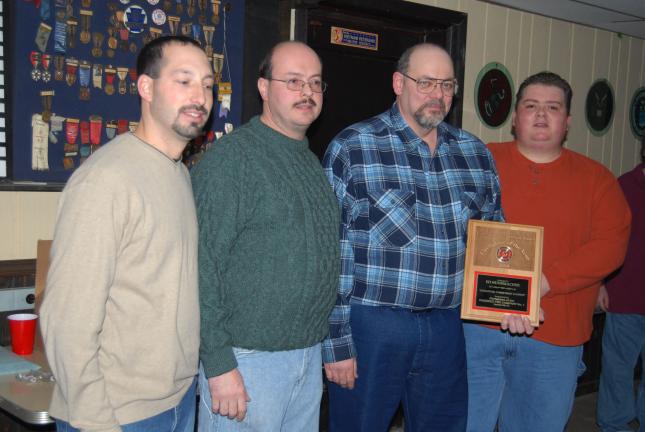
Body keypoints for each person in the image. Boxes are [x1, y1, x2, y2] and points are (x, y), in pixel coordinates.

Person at [322, 43, 504, 432]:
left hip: (446, 327)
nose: (438, 95)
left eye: (447, 85)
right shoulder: (354, 147)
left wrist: (515, 297)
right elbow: (331, 254)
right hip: (373, 325)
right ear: (398, 83)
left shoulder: (475, 154)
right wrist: (335, 344)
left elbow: (494, 241)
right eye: (425, 82)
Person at [39, 35, 213, 432]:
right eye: (184, 80)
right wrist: (97, 422)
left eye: (206, 84)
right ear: (146, 88)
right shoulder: (106, 180)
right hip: (118, 414)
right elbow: (66, 320)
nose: (200, 96)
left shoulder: (179, 173)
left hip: (177, 401)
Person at [464, 71, 632, 432]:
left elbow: (611, 247)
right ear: (515, 117)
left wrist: (543, 282)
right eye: (531, 106)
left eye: (553, 107)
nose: (541, 114)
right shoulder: (479, 161)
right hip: (476, 331)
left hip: (555, 337)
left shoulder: (597, 180)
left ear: (567, 121)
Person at [190, 41, 340, 432]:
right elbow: (200, 268)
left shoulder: (310, 162)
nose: (307, 92)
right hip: (246, 363)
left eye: (315, 82)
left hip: (306, 360)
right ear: (263, 87)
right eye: (293, 81)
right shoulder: (231, 162)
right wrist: (220, 364)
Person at [596, 137, 645, 432]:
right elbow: (603, 239)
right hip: (624, 296)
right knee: (617, 370)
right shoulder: (623, 187)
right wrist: (600, 282)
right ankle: (614, 426)